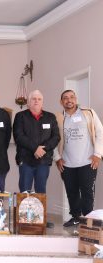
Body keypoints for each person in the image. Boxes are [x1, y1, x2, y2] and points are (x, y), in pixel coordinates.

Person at [54, 90, 103, 227]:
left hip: (88, 162)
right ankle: (75, 216)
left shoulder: (88, 113)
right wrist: (57, 158)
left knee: (88, 192)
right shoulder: (57, 117)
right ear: (61, 102)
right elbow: (52, 139)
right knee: (72, 192)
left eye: (71, 97)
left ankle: (88, 219)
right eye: (65, 98)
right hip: (67, 163)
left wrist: (97, 154)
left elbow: (100, 132)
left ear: (76, 99)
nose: (69, 100)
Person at [13, 90, 60, 194]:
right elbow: (19, 136)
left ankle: (41, 211)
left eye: (39, 99)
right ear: (28, 102)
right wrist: (35, 148)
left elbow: (56, 137)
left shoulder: (50, 117)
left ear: (42, 102)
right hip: (25, 160)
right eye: (33, 99)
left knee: (41, 191)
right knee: (25, 191)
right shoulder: (20, 116)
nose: (36, 101)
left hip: (44, 159)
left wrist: (43, 148)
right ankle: (24, 211)